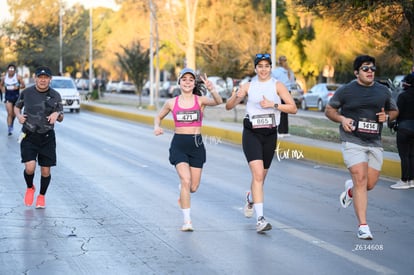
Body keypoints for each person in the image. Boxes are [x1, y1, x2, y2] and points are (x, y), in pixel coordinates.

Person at [325, 55, 398, 240]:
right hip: (352, 141)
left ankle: (350, 191)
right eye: (365, 69)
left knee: (369, 184)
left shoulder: (383, 91)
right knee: (360, 179)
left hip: (374, 142)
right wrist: (342, 119)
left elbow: (394, 110)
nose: (370, 72)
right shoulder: (346, 91)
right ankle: (363, 226)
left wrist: (388, 118)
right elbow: (329, 110)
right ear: (356, 72)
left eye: (372, 69)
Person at [225, 53, 297, 233]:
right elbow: (228, 106)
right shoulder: (248, 86)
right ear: (255, 68)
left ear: (270, 68)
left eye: (266, 66)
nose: (263, 69)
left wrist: (273, 105)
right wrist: (236, 96)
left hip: (270, 134)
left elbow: (293, 108)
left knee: (261, 178)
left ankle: (250, 198)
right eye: (260, 66)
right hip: (251, 134)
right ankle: (260, 219)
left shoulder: (277, 85)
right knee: (257, 175)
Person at [154, 68, 222, 231]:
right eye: (184, 79)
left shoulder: (200, 101)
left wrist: (212, 89)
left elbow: (218, 102)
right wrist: (157, 127)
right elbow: (158, 116)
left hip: (196, 144)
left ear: (194, 83)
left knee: (193, 187)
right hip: (179, 144)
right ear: (179, 82)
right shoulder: (171, 103)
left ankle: (182, 192)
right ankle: (187, 221)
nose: (187, 82)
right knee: (186, 180)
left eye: (190, 80)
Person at [14, 66, 64, 209]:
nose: (43, 80)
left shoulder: (55, 95)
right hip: (28, 134)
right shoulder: (27, 92)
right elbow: (17, 107)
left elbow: (61, 116)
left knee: (45, 171)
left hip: (47, 137)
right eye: (40, 77)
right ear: (35, 78)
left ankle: (41, 196)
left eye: (46, 78)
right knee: (30, 167)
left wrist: (57, 115)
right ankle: (30, 187)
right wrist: (18, 116)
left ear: (50, 79)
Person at [390, 73, 414, 189]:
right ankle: (412, 180)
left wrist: (390, 122)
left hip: (404, 129)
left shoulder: (403, 96)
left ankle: (404, 180)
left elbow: (396, 112)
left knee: (404, 155)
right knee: (412, 155)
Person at [271, 55, 295, 137]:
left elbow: (273, 82)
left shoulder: (276, 72)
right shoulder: (290, 72)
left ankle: (280, 131)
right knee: (286, 112)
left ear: (278, 62)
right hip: (288, 92)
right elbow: (292, 83)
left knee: (279, 111)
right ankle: (285, 131)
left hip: (279, 92)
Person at [0, 64, 26, 135]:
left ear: (14, 71)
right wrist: (3, 90)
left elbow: (23, 85)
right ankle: (9, 128)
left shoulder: (18, 77)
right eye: (10, 70)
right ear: (7, 70)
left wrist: (17, 87)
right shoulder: (4, 78)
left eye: (12, 70)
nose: (11, 71)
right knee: (9, 113)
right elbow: (1, 85)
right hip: (8, 97)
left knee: (14, 114)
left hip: (16, 97)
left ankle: (11, 124)